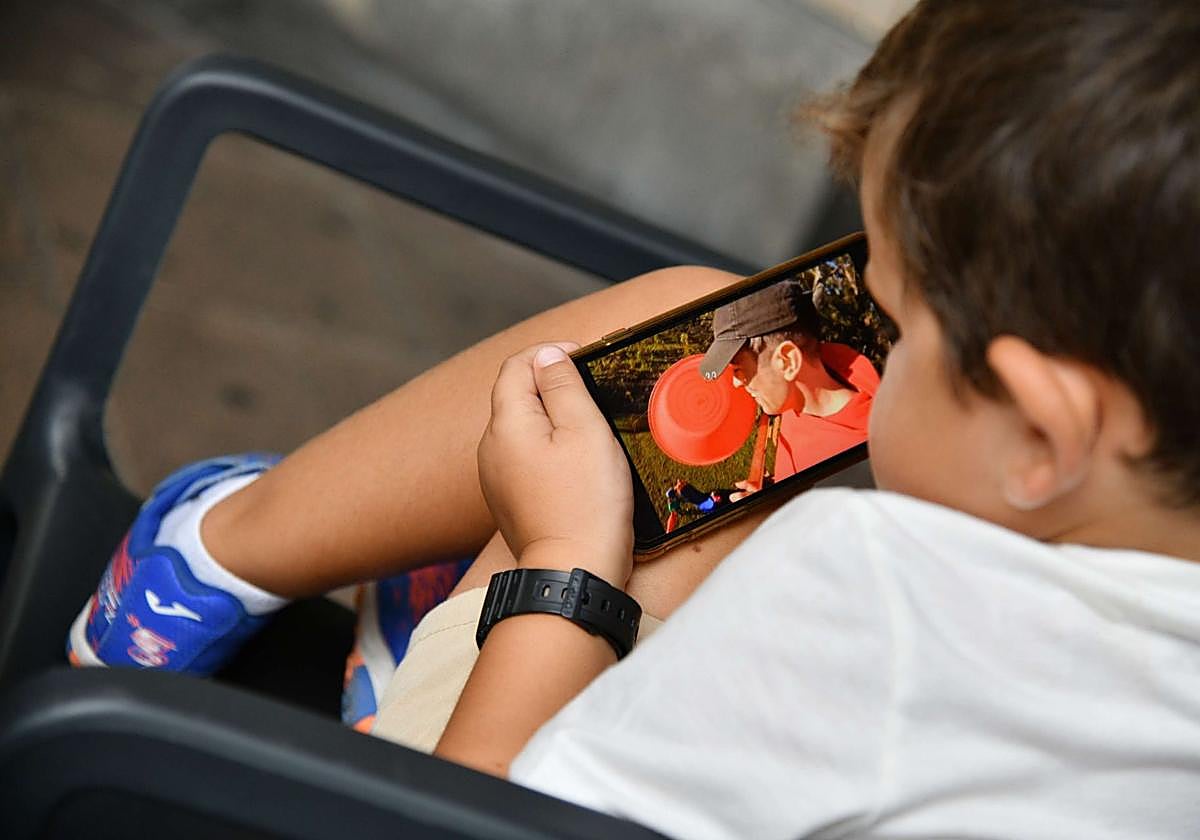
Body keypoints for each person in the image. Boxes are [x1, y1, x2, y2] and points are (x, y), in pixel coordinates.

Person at [70, 1, 1200, 835]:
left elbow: (466, 822)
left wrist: (561, 566)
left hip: (439, 802)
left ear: (1046, 439)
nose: (863, 336)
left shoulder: (865, 604)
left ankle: (231, 545)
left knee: (651, 387)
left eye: (894, 321)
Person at [699, 277, 878, 498]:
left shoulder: (869, 462)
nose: (736, 382)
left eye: (738, 370)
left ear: (787, 361)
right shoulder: (797, 400)